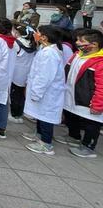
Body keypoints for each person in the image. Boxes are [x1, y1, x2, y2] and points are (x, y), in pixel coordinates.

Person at [58, 29, 103, 158]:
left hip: (88, 99)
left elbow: (101, 86)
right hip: (72, 94)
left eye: (81, 41)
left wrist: (98, 104)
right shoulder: (78, 54)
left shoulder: (99, 62)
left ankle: (88, 146)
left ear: (94, 44)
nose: (77, 43)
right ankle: (74, 136)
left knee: (91, 123)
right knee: (71, 115)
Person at [21, 25, 65, 155]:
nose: (35, 34)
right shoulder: (46, 49)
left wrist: (36, 92)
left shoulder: (50, 53)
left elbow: (44, 76)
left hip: (47, 92)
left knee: (46, 117)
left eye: (38, 33)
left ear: (44, 37)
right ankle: (39, 135)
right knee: (40, 114)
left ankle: (46, 143)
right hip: (42, 91)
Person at [9, 24, 37, 124]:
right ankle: (19, 113)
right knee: (21, 94)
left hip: (16, 72)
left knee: (14, 94)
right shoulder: (32, 43)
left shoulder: (17, 43)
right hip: (27, 72)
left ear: (17, 32)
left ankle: (13, 114)